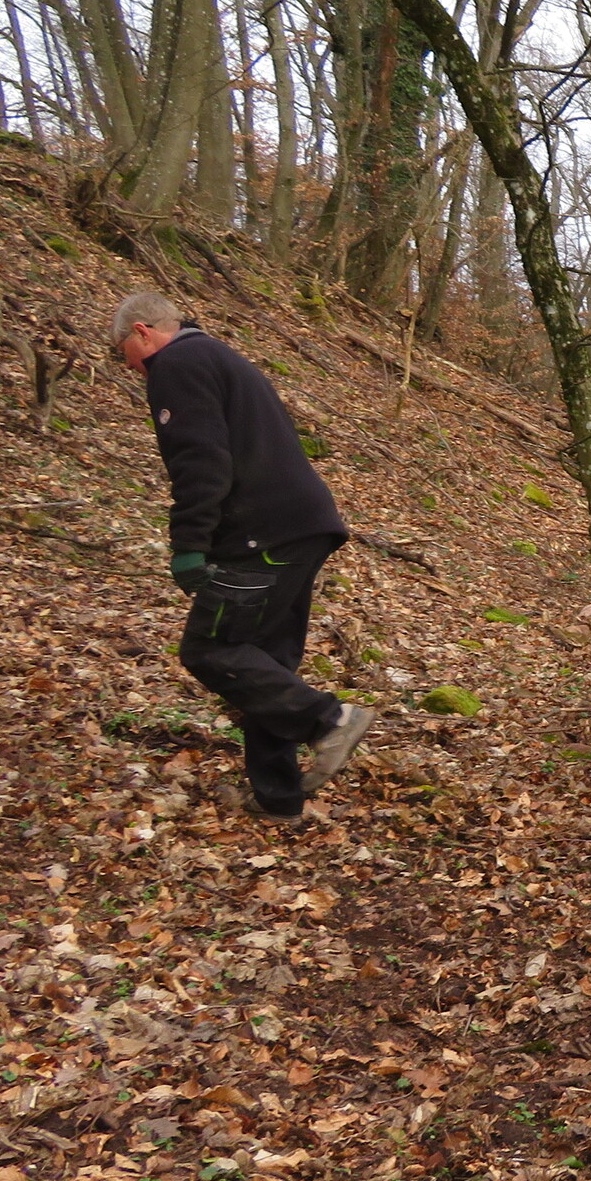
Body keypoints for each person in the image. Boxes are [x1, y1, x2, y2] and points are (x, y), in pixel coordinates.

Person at [111, 291, 376, 821]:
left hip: (265, 536)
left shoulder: (176, 364)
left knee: (211, 649)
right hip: (300, 527)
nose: (134, 370)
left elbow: (200, 461)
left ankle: (330, 721)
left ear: (143, 332)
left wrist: (189, 546)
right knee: (266, 664)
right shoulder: (218, 356)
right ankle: (279, 799)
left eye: (129, 357)